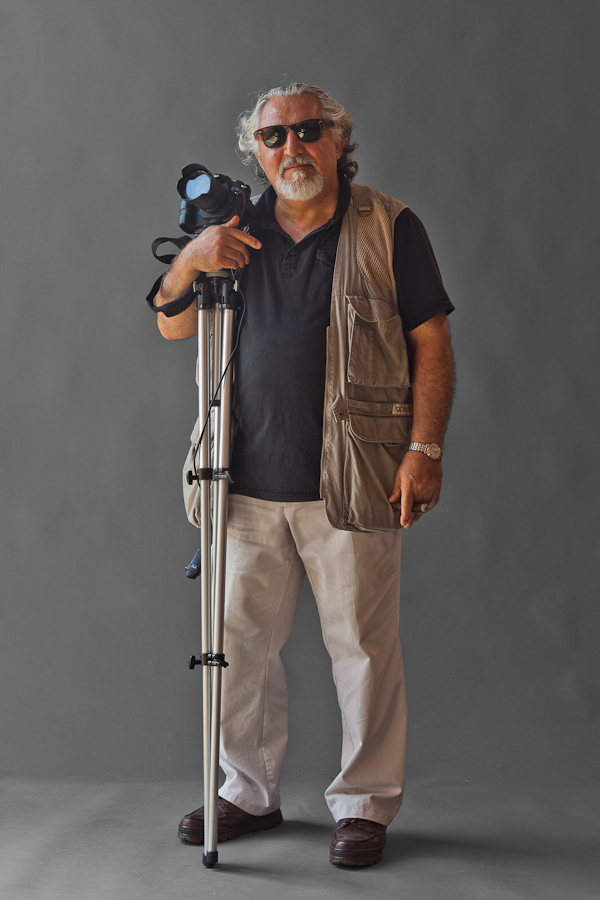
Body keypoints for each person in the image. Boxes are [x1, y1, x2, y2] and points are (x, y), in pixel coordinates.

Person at [151, 83, 455, 867]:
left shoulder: (388, 225)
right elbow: (171, 322)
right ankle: (247, 792)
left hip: (351, 480)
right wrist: (193, 258)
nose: (293, 147)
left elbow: (431, 342)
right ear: (256, 152)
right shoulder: (233, 230)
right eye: (275, 136)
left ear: (337, 140)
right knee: (236, 648)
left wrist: (425, 450)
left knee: (362, 649)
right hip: (242, 480)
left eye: (309, 130)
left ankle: (363, 804)